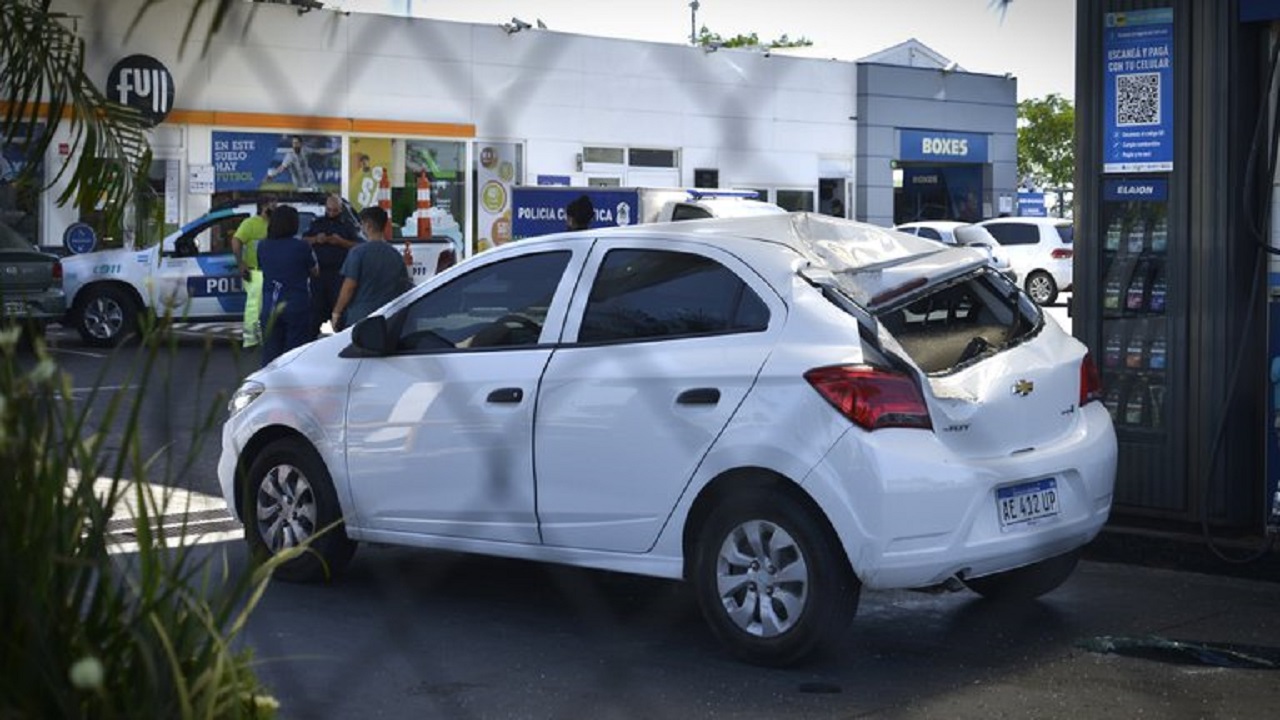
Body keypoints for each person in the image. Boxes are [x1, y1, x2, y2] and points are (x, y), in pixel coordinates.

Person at [255, 204, 318, 367]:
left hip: (270, 305)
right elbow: (315, 271)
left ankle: (269, 388)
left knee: (270, 355)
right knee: (295, 354)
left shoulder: (262, 246)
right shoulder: (302, 246)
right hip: (296, 304)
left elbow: (262, 267)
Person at [331, 206, 412, 331]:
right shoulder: (395, 255)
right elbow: (403, 286)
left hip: (360, 318)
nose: (361, 228)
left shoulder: (357, 253)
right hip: (387, 317)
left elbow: (349, 286)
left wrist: (337, 312)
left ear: (368, 225)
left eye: (362, 224)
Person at [304, 193, 361, 334]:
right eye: (329, 210)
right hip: (319, 274)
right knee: (316, 312)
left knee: (339, 311)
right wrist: (317, 239)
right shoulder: (317, 223)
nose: (331, 213)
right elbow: (304, 240)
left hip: (340, 274)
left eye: (334, 210)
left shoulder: (348, 226)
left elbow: (358, 246)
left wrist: (341, 242)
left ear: (341, 209)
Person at [232, 196, 275, 347]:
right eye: (272, 204)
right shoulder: (250, 224)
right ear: (264, 206)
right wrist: (241, 264)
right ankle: (250, 340)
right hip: (255, 271)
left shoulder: (275, 224)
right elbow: (236, 241)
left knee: (268, 307)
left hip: (272, 271)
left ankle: (265, 338)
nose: (275, 207)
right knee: (254, 306)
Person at [265, 135, 334, 191]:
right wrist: (272, 175)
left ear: (301, 144)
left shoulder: (305, 150)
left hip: (311, 181)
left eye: (296, 143)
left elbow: (318, 152)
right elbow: (282, 168)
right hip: (300, 184)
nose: (294, 145)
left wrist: (332, 152)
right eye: (293, 143)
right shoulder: (290, 156)